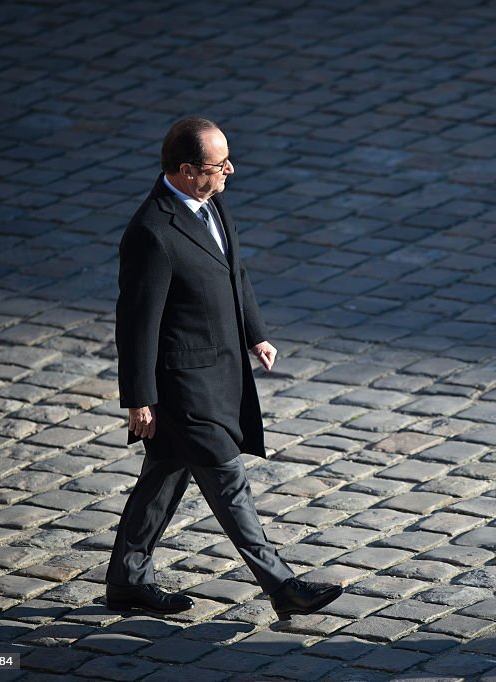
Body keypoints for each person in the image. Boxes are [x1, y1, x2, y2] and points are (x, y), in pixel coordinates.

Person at [107, 117, 342, 620]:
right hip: (183, 387)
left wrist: (255, 332)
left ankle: (127, 580)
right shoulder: (151, 233)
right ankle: (282, 587)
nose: (231, 170)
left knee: (164, 476)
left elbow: (234, 271)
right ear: (188, 170)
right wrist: (139, 398)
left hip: (220, 372)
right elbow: (136, 325)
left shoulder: (211, 203)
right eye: (220, 164)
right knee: (227, 480)